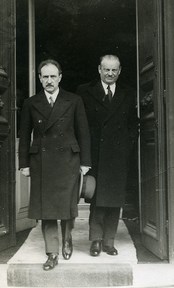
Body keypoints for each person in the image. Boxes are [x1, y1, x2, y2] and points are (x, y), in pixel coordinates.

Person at [18, 59, 91, 270]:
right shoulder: (31, 103)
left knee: (67, 206)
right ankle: (52, 252)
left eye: (53, 76)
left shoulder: (74, 100)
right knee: (46, 208)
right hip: (41, 161)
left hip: (68, 159)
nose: (49, 81)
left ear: (60, 77)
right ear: (40, 79)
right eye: (45, 77)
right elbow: (24, 136)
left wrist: (85, 162)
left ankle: (67, 238)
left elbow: (83, 132)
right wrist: (24, 163)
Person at [77, 54, 139, 257]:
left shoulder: (128, 93)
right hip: (95, 153)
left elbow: (133, 124)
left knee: (114, 199)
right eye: (106, 69)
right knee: (96, 198)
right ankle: (95, 240)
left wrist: (127, 146)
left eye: (114, 70)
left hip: (118, 155)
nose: (110, 73)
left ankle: (108, 242)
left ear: (119, 71)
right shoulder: (85, 91)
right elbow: (80, 125)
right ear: (99, 70)